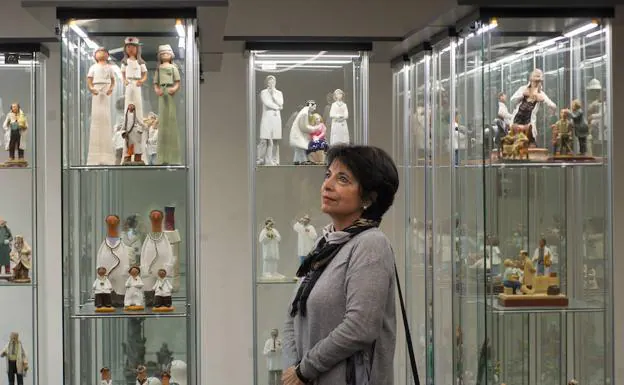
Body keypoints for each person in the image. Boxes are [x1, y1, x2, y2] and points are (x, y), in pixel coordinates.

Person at [281, 144, 399, 385]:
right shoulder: (324, 244)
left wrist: (304, 370)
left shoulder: (370, 244)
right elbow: (293, 314)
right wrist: (292, 368)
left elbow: (360, 326)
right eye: (328, 175)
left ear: (369, 197)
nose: (328, 185)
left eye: (342, 179)